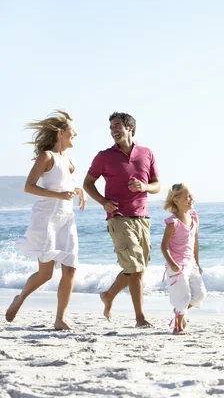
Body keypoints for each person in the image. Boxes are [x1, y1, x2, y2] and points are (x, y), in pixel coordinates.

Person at [5, 110, 86, 330]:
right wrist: (59, 195)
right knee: (46, 273)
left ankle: (60, 319)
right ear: (61, 132)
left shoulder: (70, 161)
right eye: (72, 130)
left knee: (71, 268)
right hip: (46, 219)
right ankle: (20, 298)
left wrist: (79, 191)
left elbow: (65, 185)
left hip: (67, 219)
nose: (76, 134)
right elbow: (28, 186)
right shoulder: (47, 157)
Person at [83, 112, 160, 328]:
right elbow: (87, 183)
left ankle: (108, 295)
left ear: (130, 128)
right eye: (111, 127)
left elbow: (157, 185)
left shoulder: (147, 153)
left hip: (142, 217)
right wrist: (102, 201)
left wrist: (144, 187)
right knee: (135, 268)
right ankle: (140, 318)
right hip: (118, 217)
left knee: (139, 267)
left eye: (117, 126)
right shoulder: (104, 157)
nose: (113, 130)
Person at [161, 183, 207, 335]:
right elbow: (164, 246)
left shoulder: (194, 218)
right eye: (187, 197)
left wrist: (198, 263)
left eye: (191, 196)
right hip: (177, 265)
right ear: (176, 200)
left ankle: (180, 312)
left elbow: (195, 243)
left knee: (200, 294)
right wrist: (172, 264)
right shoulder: (172, 223)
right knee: (184, 296)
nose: (190, 199)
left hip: (191, 264)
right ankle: (178, 327)